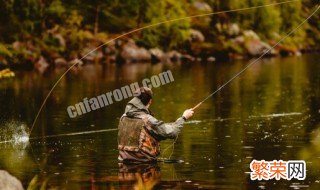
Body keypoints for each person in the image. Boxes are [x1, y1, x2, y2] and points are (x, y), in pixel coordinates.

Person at [118, 87, 194, 163]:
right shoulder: (147, 119)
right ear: (150, 101)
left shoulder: (123, 117)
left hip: (122, 163)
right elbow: (172, 132)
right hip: (144, 166)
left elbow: (156, 127)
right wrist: (184, 117)